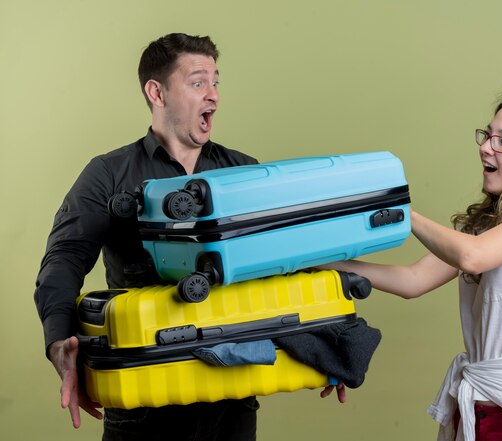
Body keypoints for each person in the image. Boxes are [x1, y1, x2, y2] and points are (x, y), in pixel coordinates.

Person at [34, 32, 348, 441]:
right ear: (157, 92)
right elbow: (64, 259)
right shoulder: (108, 174)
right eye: (199, 82)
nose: (213, 95)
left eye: (216, 82)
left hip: (231, 393)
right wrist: (58, 342)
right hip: (143, 399)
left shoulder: (244, 173)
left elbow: (289, 264)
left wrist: (328, 336)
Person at [320, 95, 502, 440]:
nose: (485, 148)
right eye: (487, 136)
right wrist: (323, 263)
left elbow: (472, 257)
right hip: (484, 399)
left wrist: (401, 213)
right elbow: (413, 280)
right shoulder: (488, 225)